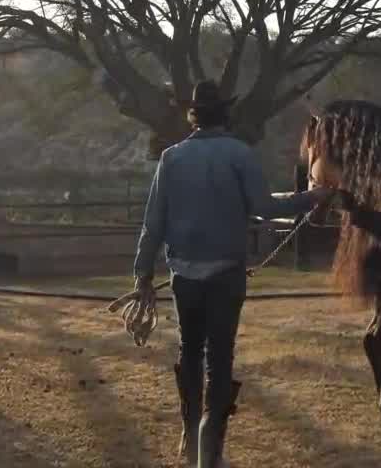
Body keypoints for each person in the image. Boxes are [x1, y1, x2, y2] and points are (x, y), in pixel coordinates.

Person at [132, 80, 333, 468]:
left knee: (189, 352)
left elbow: (152, 222)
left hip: (184, 275)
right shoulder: (239, 154)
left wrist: (141, 274)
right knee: (219, 356)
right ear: (226, 113)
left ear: (193, 114)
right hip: (226, 274)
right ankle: (211, 452)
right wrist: (313, 197)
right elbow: (263, 207)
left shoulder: (171, 158)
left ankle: (191, 439)